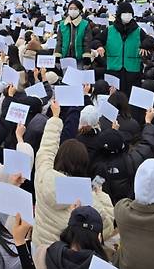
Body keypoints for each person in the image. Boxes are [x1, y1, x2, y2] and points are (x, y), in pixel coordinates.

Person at [32, 100, 114, 248]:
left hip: (39, 248)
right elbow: (107, 227)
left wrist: (55, 118)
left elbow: (46, 149)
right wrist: (100, 194)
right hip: (63, 259)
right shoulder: (87, 198)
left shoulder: (43, 176)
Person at [93, 1, 154, 96]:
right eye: (125, 13)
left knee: (130, 98)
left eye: (129, 13)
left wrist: (144, 45)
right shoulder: (110, 30)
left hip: (133, 71)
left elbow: (150, 41)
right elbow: (96, 40)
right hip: (113, 70)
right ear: (119, 15)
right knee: (114, 98)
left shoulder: (137, 30)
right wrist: (99, 46)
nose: (127, 15)